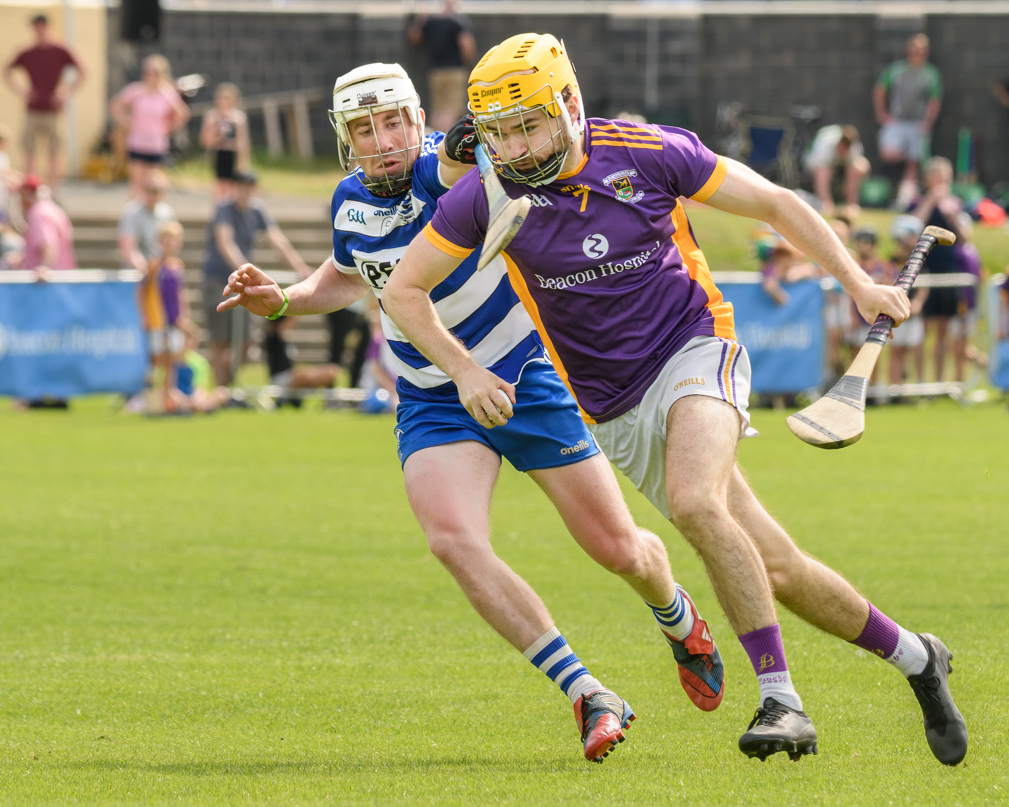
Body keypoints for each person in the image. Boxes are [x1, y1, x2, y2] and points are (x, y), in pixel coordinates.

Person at [381, 33, 968, 765]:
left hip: (696, 348)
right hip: (615, 409)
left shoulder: (648, 150)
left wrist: (856, 281)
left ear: (568, 104)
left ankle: (781, 698)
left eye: (528, 122)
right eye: (498, 130)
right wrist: (464, 369)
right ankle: (917, 656)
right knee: (776, 566)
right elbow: (404, 290)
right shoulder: (484, 196)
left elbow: (778, 203)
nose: (515, 143)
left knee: (694, 502)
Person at [220, 62, 726, 764]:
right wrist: (282, 299)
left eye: (394, 121)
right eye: (364, 129)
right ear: (345, 138)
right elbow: (346, 273)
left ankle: (677, 615)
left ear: (415, 117)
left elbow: (459, 163)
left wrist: (465, 141)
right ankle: (587, 692)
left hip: (522, 376)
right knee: (452, 540)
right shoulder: (347, 200)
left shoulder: (444, 167)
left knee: (620, 550)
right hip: (434, 396)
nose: (384, 141)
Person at [202, 171, 312, 387]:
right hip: (218, 280)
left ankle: (227, 390)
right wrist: (247, 271)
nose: (245, 191)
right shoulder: (224, 209)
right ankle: (221, 391)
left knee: (245, 343)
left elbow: (277, 240)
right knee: (220, 342)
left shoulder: (257, 210)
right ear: (234, 188)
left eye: (249, 187)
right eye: (241, 187)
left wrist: (300, 268)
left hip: (243, 282)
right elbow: (225, 243)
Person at [3, 13, 86, 191]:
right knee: (29, 150)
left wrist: (66, 91)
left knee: (54, 152)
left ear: (46, 27)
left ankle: (53, 191)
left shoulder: (60, 49)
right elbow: (7, 70)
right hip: (33, 109)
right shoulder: (28, 51)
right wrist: (21, 90)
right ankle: (29, 189)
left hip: (53, 110)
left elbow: (82, 70)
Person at [873, 34, 942, 210]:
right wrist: (882, 114)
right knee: (888, 153)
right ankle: (910, 155)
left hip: (918, 124)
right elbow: (880, 89)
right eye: (914, 50)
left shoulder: (930, 73)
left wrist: (928, 122)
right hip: (897, 122)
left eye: (921, 51)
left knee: (914, 165)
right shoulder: (896, 70)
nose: (917, 54)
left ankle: (903, 201)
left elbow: (935, 101)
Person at [109, 54, 191, 199]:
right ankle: (133, 217)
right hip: (137, 142)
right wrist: (126, 122)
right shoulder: (136, 91)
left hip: (156, 143)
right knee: (136, 183)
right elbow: (115, 106)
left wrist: (169, 127)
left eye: (154, 73)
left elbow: (183, 113)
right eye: (147, 72)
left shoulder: (167, 94)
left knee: (154, 183)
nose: (150, 76)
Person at [912, 157, 964, 383]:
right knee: (922, 330)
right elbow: (911, 229)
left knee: (944, 330)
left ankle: (940, 381)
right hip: (925, 272)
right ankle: (921, 381)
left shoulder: (954, 204)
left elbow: (965, 239)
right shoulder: (918, 201)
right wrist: (931, 200)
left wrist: (954, 218)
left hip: (949, 272)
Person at [138, 221, 190, 413]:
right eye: (165, 239)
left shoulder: (177, 266)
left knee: (172, 359)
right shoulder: (154, 266)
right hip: (158, 319)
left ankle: (169, 398)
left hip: (174, 320)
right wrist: (145, 315)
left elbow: (181, 293)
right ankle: (151, 397)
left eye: (173, 239)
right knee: (156, 358)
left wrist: (184, 315)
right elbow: (142, 291)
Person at [407, 0, 476, 133]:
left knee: (438, 111)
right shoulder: (458, 21)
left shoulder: (431, 22)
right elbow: (467, 45)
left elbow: (414, 36)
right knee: (451, 109)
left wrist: (420, 17)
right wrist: (468, 64)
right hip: (454, 71)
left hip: (436, 72)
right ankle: (445, 142)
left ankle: (435, 140)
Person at [887, 215, 929, 392]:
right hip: (897, 312)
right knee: (897, 352)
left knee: (916, 349)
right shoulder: (891, 262)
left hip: (913, 313)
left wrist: (918, 302)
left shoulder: (918, 262)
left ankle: (920, 387)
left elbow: (924, 285)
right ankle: (896, 389)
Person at [198, 82, 250, 202]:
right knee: (220, 187)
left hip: (233, 155)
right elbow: (205, 141)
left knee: (234, 188)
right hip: (219, 153)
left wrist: (243, 162)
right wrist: (217, 134)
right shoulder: (212, 117)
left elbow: (242, 142)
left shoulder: (238, 118)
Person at [16, 174, 75, 279]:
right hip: (63, 279)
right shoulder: (53, 209)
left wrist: (44, 267)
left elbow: (48, 243)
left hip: (49, 284)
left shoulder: (38, 213)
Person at [803, 125, 869, 214]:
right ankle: (826, 204)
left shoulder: (855, 146)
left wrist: (847, 186)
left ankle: (852, 204)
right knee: (823, 171)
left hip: (840, 166)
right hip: (814, 161)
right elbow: (818, 166)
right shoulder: (825, 142)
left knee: (860, 167)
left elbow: (860, 166)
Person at [118, 174, 177, 273]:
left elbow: (173, 245)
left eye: (156, 191)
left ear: (164, 192)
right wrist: (146, 269)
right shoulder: (131, 213)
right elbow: (129, 249)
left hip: (161, 272)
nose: (152, 195)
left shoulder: (168, 214)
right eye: (148, 189)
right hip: (137, 273)